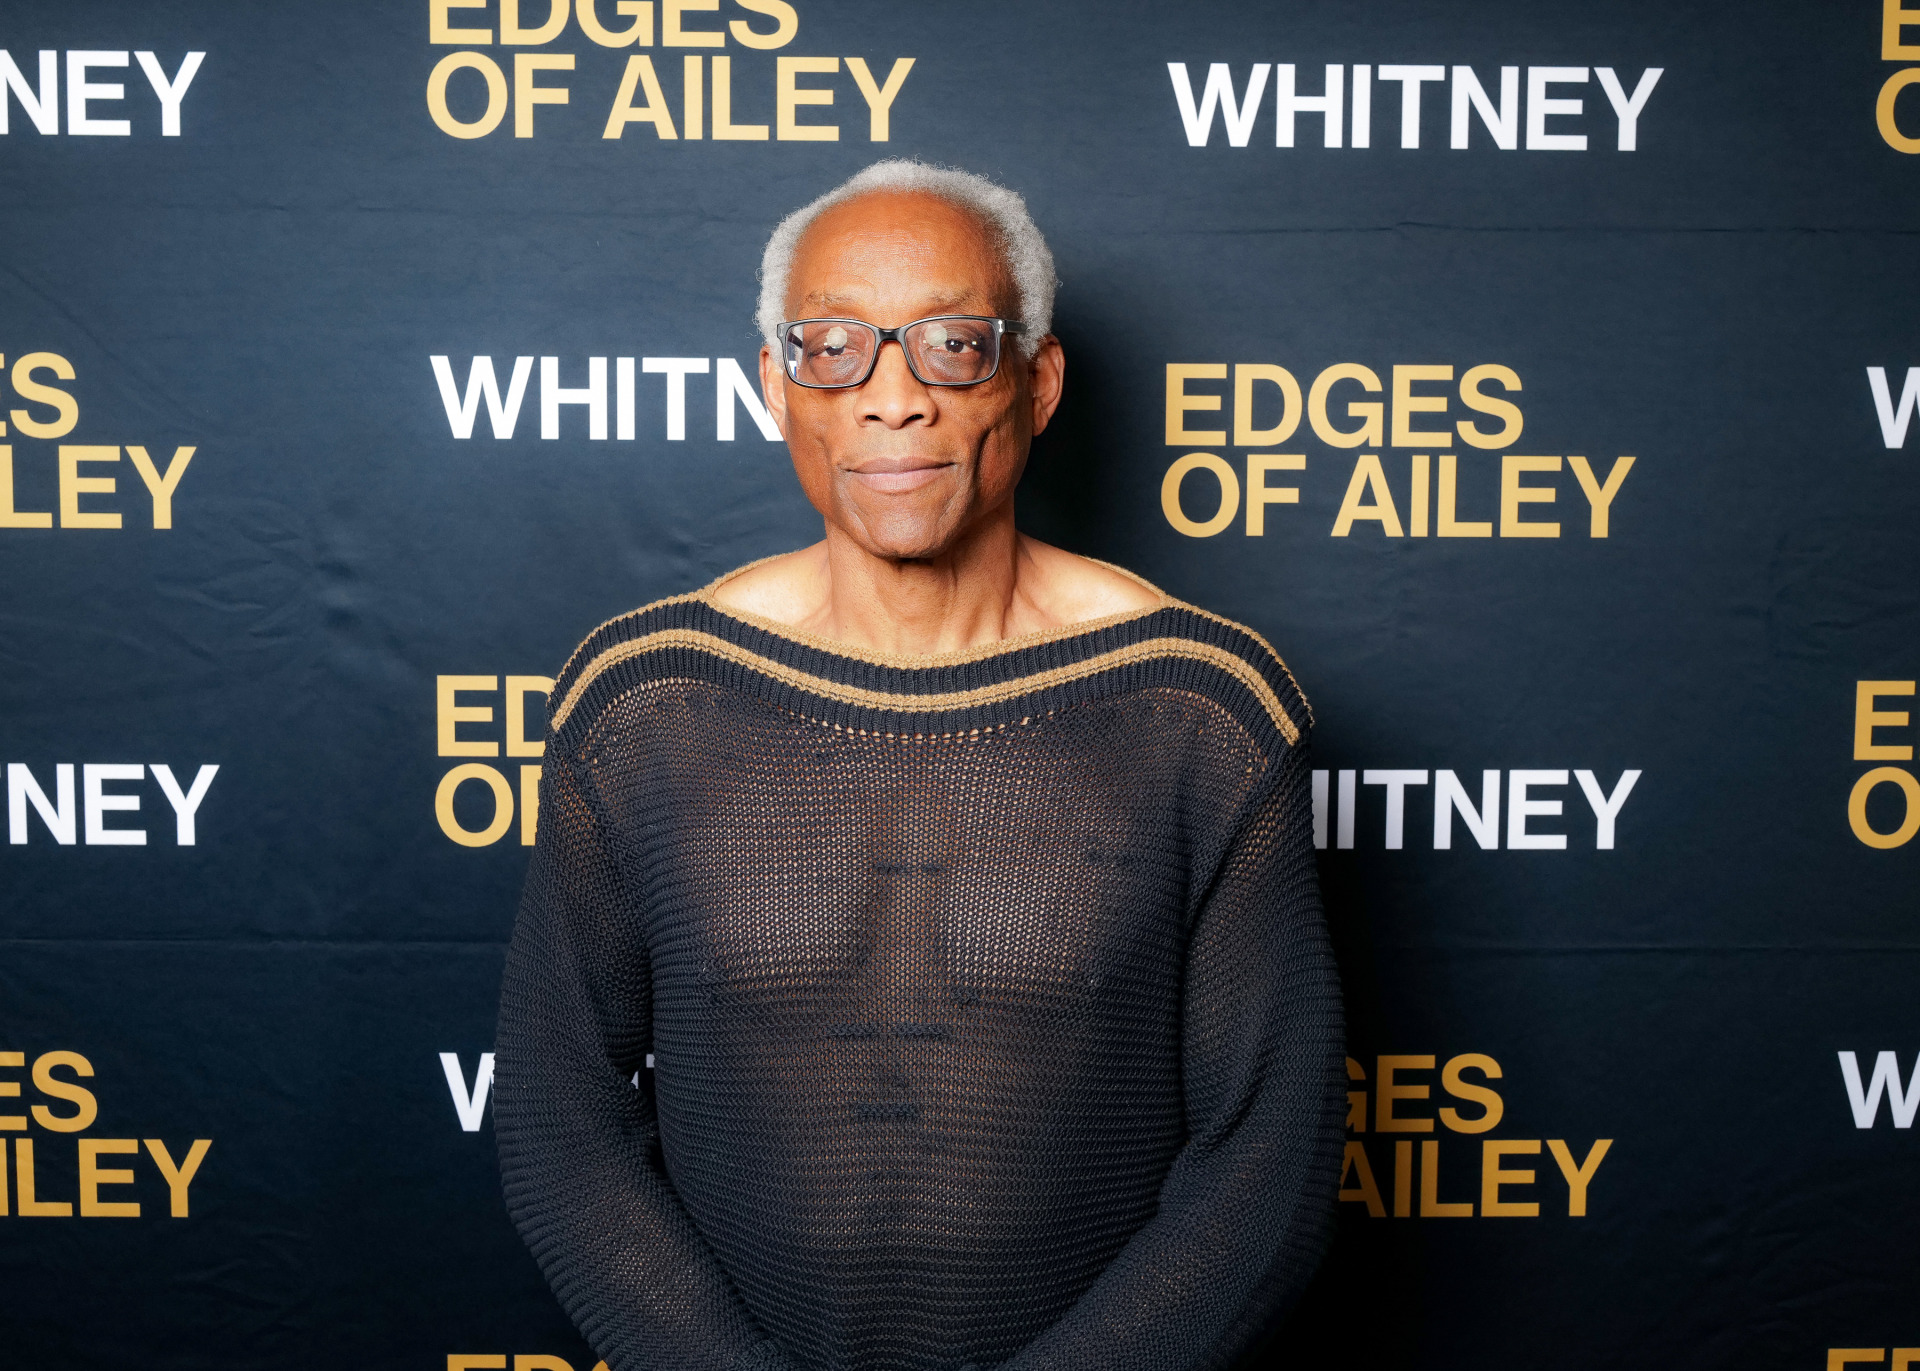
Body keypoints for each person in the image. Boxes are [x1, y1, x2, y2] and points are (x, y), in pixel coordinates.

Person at [495, 159, 1344, 1371]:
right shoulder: (643, 704)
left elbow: (1270, 1164)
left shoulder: (1202, 710)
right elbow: (557, 1125)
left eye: (954, 345)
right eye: (833, 348)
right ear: (778, 389)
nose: (894, 401)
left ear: (1038, 383)